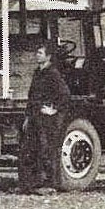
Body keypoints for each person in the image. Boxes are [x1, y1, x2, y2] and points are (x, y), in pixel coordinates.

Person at [17, 41, 70, 194]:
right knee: (29, 150)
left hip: (45, 119)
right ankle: (30, 185)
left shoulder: (53, 73)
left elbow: (65, 94)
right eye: (37, 52)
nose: (37, 55)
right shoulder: (37, 73)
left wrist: (54, 109)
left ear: (48, 56)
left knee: (46, 150)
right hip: (34, 116)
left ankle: (49, 184)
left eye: (40, 53)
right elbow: (31, 96)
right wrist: (27, 117)